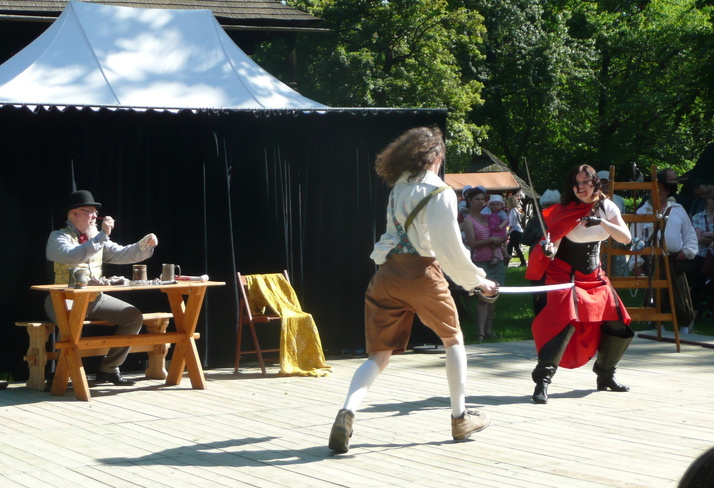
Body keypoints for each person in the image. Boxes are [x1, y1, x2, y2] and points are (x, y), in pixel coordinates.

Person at [327, 127, 499, 454]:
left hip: (387, 273)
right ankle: (460, 418)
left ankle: (346, 413)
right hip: (422, 273)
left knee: (378, 355)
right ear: (435, 156)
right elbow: (449, 248)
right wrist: (479, 280)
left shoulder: (398, 187)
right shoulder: (440, 192)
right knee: (453, 340)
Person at [525, 164, 633, 404]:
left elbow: (625, 238)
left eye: (585, 182)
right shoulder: (564, 210)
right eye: (576, 184)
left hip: (594, 276)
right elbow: (553, 246)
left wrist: (601, 223)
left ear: (595, 183)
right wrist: (548, 249)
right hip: (564, 276)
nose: (580, 188)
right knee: (564, 323)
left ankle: (606, 375)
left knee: (618, 322)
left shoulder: (607, 207)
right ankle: (542, 380)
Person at [45, 190, 158, 386]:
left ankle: (109, 368)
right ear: (74, 213)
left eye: (95, 212)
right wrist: (102, 235)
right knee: (71, 326)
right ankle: (61, 376)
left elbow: (123, 254)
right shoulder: (58, 237)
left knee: (133, 317)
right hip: (63, 300)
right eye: (89, 211)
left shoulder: (97, 238)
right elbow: (73, 256)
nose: (94, 216)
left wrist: (144, 245)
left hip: (94, 299)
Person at [632, 170, 698, 333]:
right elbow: (634, 240)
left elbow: (689, 234)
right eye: (653, 189)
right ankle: (657, 328)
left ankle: (684, 331)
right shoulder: (641, 213)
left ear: (668, 191)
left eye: (660, 189)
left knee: (680, 298)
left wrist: (687, 252)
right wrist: (636, 263)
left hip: (675, 260)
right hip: (652, 261)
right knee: (656, 298)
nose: (656, 192)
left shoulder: (678, 209)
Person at [461, 186, 507, 342]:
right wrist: (491, 240)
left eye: (482, 199)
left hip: (497, 260)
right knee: (482, 298)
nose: (481, 202)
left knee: (494, 297)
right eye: (477, 199)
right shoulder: (468, 221)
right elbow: (472, 244)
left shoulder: (488, 217)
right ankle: (480, 332)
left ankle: (488, 330)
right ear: (469, 201)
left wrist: (500, 239)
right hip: (481, 263)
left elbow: (499, 231)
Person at [521, 189, 560, 316]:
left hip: (555, 260)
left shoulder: (540, 219)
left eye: (552, 205)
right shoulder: (537, 220)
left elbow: (526, 239)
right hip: (539, 261)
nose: (550, 208)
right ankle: (541, 318)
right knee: (540, 292)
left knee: (552, 292)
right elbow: (525, 240)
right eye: (548, 205)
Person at [597, 170, 629, 278]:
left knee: (618, 274)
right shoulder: (593, 200)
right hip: (600, 242)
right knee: (600, 272)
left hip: (616, 243)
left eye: (607, 182)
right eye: (602, 182)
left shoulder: (619, 200)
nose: (605, 185)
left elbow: (623, 222)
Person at [486, 194, 509, 265]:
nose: (495, 206)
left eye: (497, 204)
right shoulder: (491, 213)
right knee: (498, 245)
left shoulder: (501, 213)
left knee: (494, 245)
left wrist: (502, 225)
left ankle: (496, 257)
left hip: (499, 231)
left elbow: (506, 220)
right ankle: (506, 254)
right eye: (493, 205)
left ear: (501, 205)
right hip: (493, 231)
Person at [506, 194, 527, 267]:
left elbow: (512, 223)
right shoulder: (516, 210)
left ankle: (507, 262)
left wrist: (508, 231)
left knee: (511, 247)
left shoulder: (512, 211)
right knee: (515, 247)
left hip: (515, 231)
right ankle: (522, 261)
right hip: (518, 230)